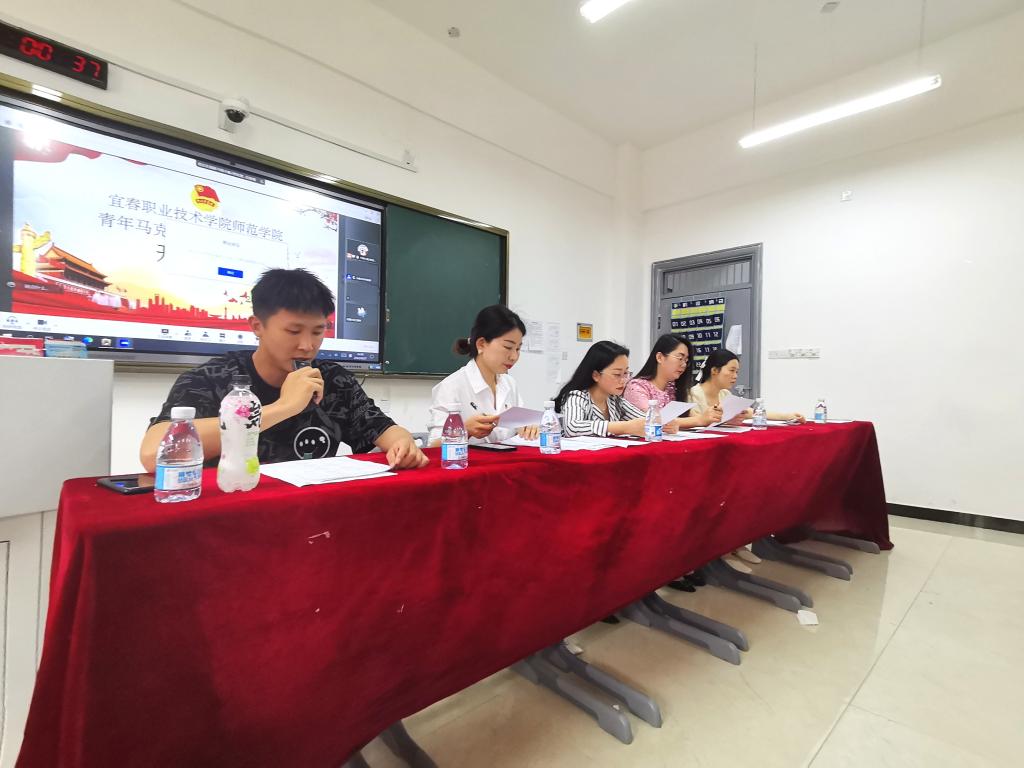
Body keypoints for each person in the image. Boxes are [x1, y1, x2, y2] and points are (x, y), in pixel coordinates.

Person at [140, 268, 428, 471]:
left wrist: (402, 444)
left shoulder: (334, 379)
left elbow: (386, 431)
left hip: (312, 514)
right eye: (293, 331)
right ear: (257, 326)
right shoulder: (212, 378)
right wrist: (283, 407)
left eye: (318, 331)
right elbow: (154, 454)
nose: (307, 345)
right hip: (232, 514)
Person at [428, 305, 538, 445]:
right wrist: (465, 431)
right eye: (508, 347)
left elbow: (520, 428)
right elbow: (433, 447)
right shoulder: (450, 387)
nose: (514, 357)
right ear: (481, 344)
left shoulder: (509, 383)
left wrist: (528, 427)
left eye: (518, 349)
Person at [624, 334, 722, 430]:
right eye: (680, 358)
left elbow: (694, 416)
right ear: (660, 357)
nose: (684, 365)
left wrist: (714, 416)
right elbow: (652, 420)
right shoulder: (636, 387)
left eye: (686, 360)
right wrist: (699, 420)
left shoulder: (674, 388)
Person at [555, 340, 646, 438]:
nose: (623, 380)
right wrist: (622, 427)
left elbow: (648, 421)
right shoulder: (577, 397)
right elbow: (572, 428)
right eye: (617, 374)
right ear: (596, 375)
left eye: (626, 373)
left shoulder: (615, 400)